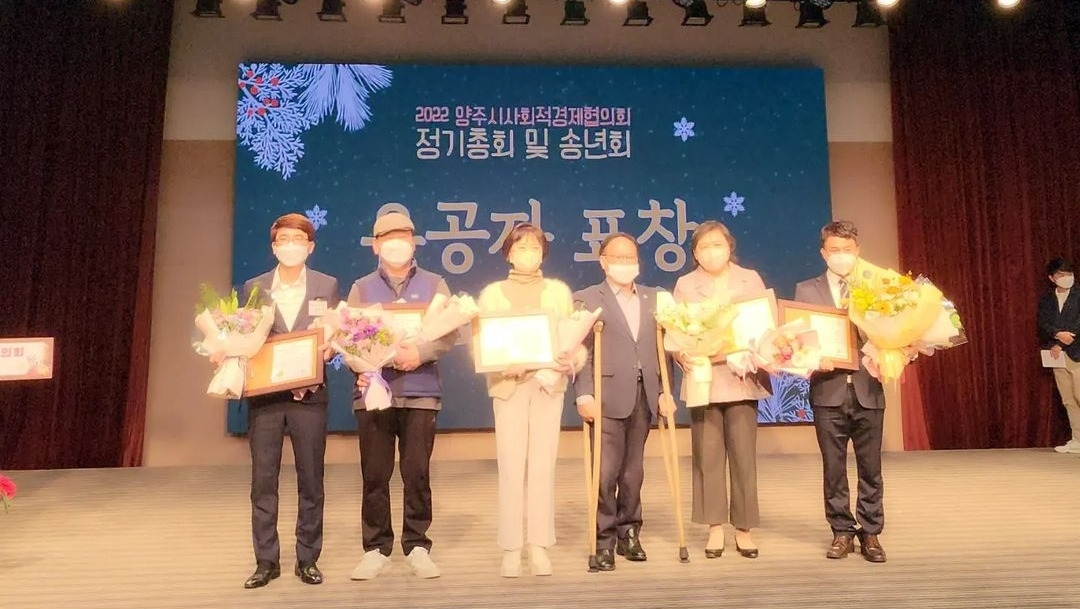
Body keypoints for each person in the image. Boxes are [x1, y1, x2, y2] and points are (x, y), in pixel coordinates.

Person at [347, 211, 457, 580]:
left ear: (413, 242)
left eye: (403, 237)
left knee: (417, 473)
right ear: (376, 245)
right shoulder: (361, 288)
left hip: (420, 392)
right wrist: (366, 365)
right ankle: (376, 548)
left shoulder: (435, 284)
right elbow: (349, 339)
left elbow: (449, 334)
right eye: (388, 238)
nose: (397, 244)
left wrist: (420, 354)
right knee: (375, 474)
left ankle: (417, 544)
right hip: (374, 394)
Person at [476, 222, 584, 578]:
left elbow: (572, 339)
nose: (528, 253)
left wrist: (571, 359)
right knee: (510, 466)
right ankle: (511, 547)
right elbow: (481, 342)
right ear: (508, 253)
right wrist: (498, 363)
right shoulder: (492, 294)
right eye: (521, 247)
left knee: (542, 466)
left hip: (546, 386)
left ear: (543, 253)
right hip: (508, 386)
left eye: (535, 247)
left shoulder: (558, 291)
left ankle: (538, 545)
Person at [239, 213, 341, 588]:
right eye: (283, 240)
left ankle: (307, 558)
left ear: (310, 247)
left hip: (309, 396)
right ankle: (266, 561)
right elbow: (246, 336)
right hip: (266, 397)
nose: (290, 246)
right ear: (273, 246)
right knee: (263, 481)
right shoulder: (255, 287)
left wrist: (328, 349)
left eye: (298, 240)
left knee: (311, 479)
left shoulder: (327, 285)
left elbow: (332, 335)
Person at [573, 233, 675, 571]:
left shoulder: (655, 298)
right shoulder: (586, 299)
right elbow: (580, 352)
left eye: (630, 257)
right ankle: (603, 540)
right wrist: (584, 394)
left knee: (633, 472)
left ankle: (629, 532)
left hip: (644, 395)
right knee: (605, 472)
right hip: (605, 397)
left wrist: (665, 391)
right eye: (617, 257)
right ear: (603, 261)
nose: (625, 263)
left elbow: (666, 351)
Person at [672, 220, 769, 559]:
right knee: (707, 456)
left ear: (730, 247)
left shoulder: (749, 279)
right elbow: (676, 330)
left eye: (718, 245)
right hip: (704, 379)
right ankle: (714, 527)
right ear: (695, 253)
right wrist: (681, 353)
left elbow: (764, 327)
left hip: (741, 378)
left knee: (743, 457)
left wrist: (754, 348)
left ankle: (743, 528)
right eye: (704, 247)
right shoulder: (685, 284)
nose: (712, 252)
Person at [794, 220, 887, 563]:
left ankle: (871, 532)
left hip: (868, 388)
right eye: (835, 250)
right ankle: (842, 531)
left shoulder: (879, 287)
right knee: (833, 468)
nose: (841, 256)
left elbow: (894, 333)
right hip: (827, 389)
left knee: (871, 466)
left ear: (857, 250)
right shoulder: (806, 290)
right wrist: (809, 355)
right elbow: (798, 341)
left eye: (847, 250)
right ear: (824, 253)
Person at [1037, 257, 1080, 454]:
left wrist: (1062, 342)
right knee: (1068, 399)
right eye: (1061, 275)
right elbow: (1043, 323)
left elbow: (1077, 324)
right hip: (1057, 355)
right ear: (1052, 278)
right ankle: (1077, 439)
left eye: (1069, 274)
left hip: (1076, 351)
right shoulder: (1047, 300)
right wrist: (1056, 336)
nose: (1066, 278)